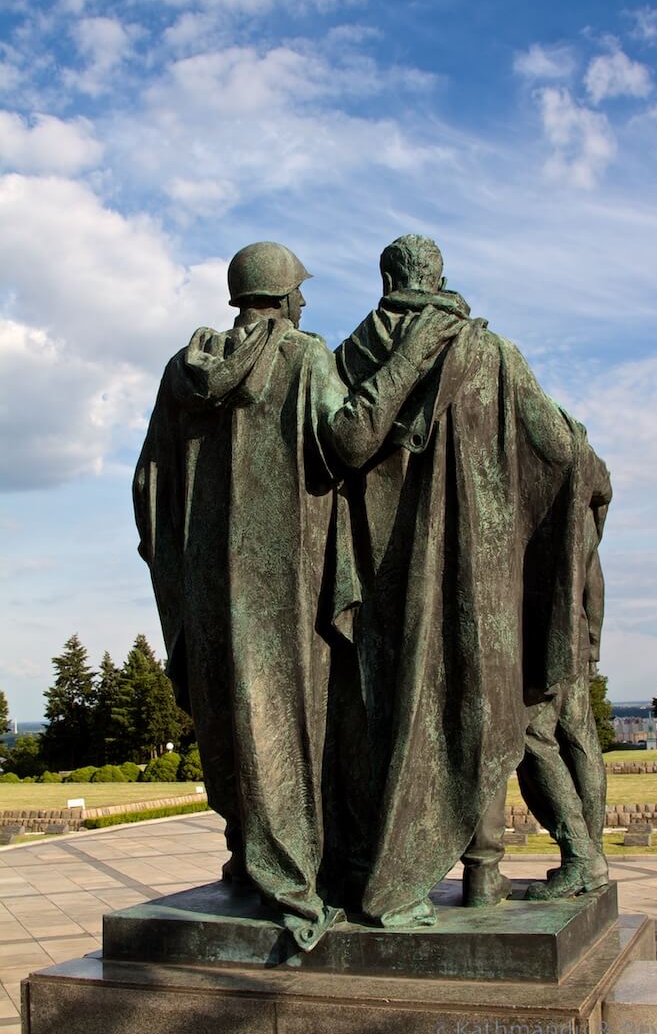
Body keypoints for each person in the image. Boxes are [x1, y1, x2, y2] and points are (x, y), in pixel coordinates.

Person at [133, 241, 458, 949]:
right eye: (299, 293)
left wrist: (180, 571)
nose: (305, 304)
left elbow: (147, 485)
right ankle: (295, 888)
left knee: (235, 721)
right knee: (295, 725)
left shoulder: (180, 373)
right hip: (288, 581)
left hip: (209, 585)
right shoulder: (301, 358)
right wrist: (412, 357)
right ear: (280, 297)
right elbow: (351, 441)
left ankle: (259, 866)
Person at [335, 234, 605, 927]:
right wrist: (558, 532)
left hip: (387, 580)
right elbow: (562, 449)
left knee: (398, 720)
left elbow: (338, 449)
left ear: (389, 278)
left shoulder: (354, 353)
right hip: (488, 578)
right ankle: (485, 877)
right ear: (441, 276)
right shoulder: (493, 353)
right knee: (490, 714)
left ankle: (388, 865)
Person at [517, 472, 612, 899]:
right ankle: (594, 856)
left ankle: (581, 855)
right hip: (572, 633)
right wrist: (591, 641)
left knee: (532, 734)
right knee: (579, 738)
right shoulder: (580, 499)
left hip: (543, 634)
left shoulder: (539, 481)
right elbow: (593, 573)